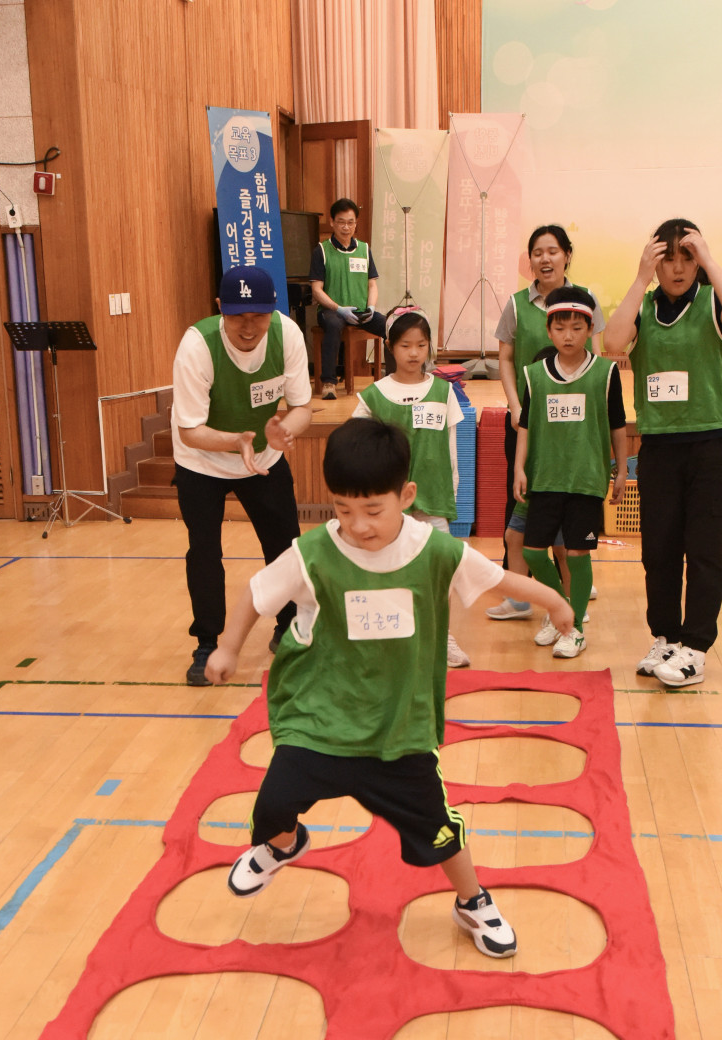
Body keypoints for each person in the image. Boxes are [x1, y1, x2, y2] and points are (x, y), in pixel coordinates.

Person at [203, 419, 574, 958]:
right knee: (273, 806)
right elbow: (257, 595)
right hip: (321, 721)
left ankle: (471, 901)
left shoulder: (436, 551)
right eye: (343, 509)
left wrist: (554, 600)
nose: (358, 525)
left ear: (406, 496)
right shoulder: (312, 553)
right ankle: (283, 845)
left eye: (373, 510)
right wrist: (228, 648)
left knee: (439, 830)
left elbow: (497, 581)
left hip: (399, 729)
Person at [604, 219, 722, 688]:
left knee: (704, 550)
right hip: (661, 448)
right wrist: (639, 278)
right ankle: (666, 638)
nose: (677, 267)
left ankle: (696, 649)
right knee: (659, 549)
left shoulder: (712, 302)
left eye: (686, 257)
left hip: (714, 444)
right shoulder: (644, 309)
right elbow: (610, 343)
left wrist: (710, 259)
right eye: (667, 258)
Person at [172, 266, 313, 685]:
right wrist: (236, 441)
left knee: (285, 545)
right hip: (201, 461)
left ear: (273, 310)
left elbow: (302, 408)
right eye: (237, 316)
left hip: (264, 457)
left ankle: (289, 625)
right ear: (220, 309)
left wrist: (285, 431)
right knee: (204, 553)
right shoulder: (197, 346)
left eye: (258, 316)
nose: (249, 327)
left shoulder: (288, 336)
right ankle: (207, 643)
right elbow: (189, 430)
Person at [488, 225, 606, 622]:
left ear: (567, 255)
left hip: (573, 428)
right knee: (520, 507)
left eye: (552, 251)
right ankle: (519, 594)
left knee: (567, 508)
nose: (544, 259)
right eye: (537, 252)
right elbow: (505, 358)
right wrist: (515, 405)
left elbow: (598, 362)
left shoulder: (586, 299)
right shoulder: (516, 303)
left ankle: (569, 590)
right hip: (527, 421)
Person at [352, 303, 470, 668]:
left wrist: (451, 489)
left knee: (439, 570)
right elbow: (355, 445)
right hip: (388, 503)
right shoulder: (373, 396)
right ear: (390, 347)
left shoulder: (443, 391)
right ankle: (393, 637)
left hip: (433, 497)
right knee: (389, 569)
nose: (414, 353)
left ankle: (441, 637)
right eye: (405, 345)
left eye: (421, 345)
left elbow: (452, 447)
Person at [513, 286, 628, 659]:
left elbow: (617, 425)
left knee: (577, 555)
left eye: (577, 328)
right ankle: (561, 608)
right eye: (560, 328)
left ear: (590, 329)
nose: (568, 335)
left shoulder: (606, 373)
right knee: (532, 553)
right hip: (545, 478)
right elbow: (525, 427)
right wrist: (518, 468)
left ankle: (574, 628)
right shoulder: (534, 374)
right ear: (548, 330)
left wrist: (621, 469)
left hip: (585, 480)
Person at [309, 197, 389, 401]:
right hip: (332, 311)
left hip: (361, 310)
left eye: (350, 222)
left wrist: (371, 307)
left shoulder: (364, 249)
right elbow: (316, 290)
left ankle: (394, 378)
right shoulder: (321, 251)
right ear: (332, 222)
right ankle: (329, 383)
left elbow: (372, 285)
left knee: (391, 326)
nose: (346, 227)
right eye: (341, 222)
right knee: (334, 325)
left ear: (356, 223)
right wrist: (339, 308)